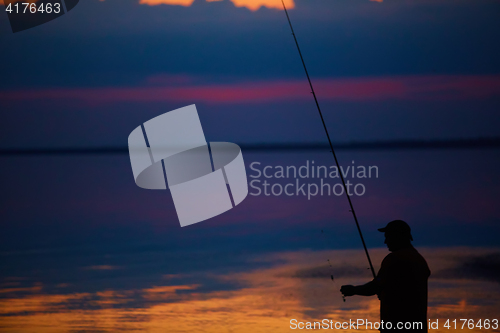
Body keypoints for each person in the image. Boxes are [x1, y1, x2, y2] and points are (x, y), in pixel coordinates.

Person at [340, 220, 431, 332]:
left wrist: (353, 290)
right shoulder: (418, 259)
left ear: (397, 237)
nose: (385, 241)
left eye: (388, 237)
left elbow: (375, 287)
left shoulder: (394, 259)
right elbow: (401, 288)